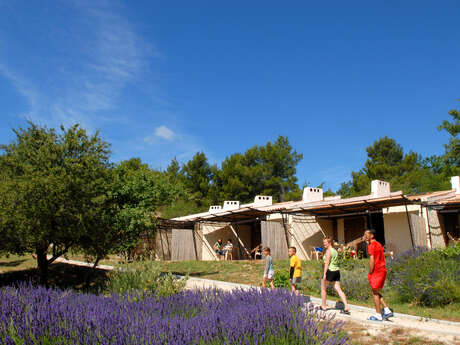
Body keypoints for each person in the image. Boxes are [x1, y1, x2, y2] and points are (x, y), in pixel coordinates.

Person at [364, 229, 393, 321]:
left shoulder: (371, 245)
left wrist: (370, 271)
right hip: (382, 270)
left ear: (371, 236)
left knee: (374, 293)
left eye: (366, 234)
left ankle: (378, 314)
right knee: (375, 291)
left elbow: (372, 259)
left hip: (376, 271)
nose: (364, 236)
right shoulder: (379, 244)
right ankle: (387, 310)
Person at [320, 237, 350, 314]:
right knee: (338, 289)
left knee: (323, 288)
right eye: (323, 242)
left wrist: (324, 274)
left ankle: (323, 306)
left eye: (325, 242)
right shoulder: (335, 251)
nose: (324, 244)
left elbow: (327, 263)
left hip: (330, 271)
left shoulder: (328, 251)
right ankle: (346, 306)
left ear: (329, 243)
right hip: (336, 271)